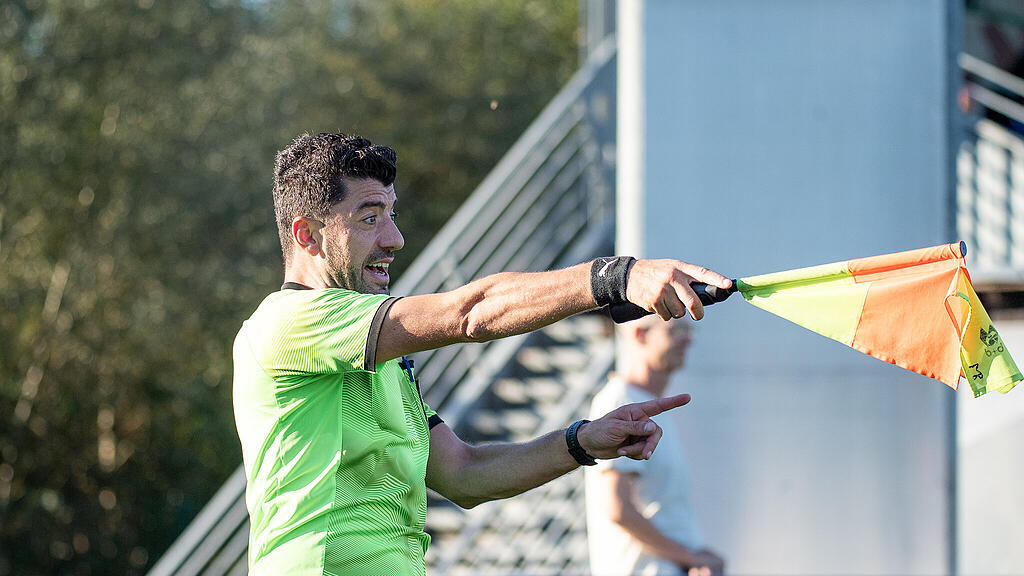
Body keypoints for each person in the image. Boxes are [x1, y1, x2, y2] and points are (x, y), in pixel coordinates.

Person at [232, 132, 732, 576]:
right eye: (369, 218)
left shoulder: (377, 357)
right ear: (307, 235)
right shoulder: (288, 320)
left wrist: (583, 441)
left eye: (391, 215)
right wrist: (615, 277)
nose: (394, 239)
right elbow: (468, 314)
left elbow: (465, 474)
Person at [586, 315, 726, 576]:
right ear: (640, 334)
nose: (688, 338)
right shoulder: (621, 404)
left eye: (689, 328)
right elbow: (617, 507)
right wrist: (692, 558)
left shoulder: (645, 404)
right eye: (676, 330)